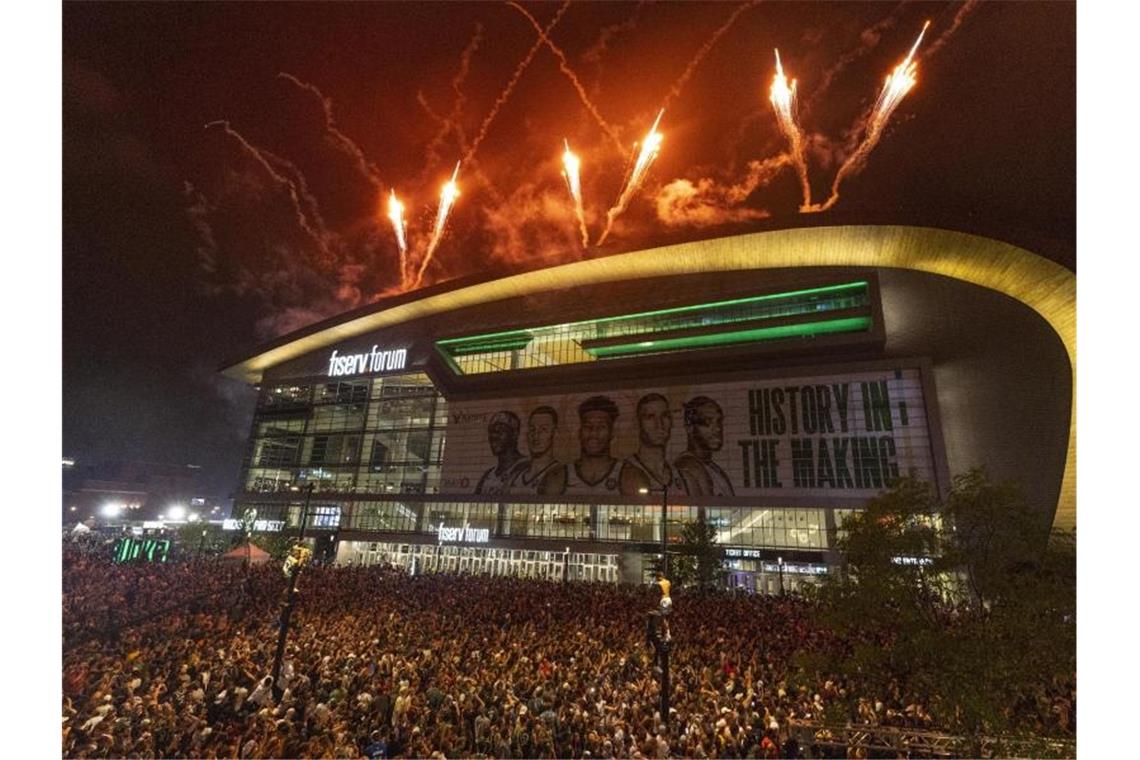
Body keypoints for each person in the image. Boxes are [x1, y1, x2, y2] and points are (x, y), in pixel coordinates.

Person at [541, 396, 622, 495]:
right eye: (587, 426)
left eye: (601, 427)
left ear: (612, 433)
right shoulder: (557, 477)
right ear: (579, 432)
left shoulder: (628, 476)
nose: (593, 433)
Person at [620, 394, 684, 496]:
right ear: (638, 424)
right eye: (650, 417)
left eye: (664, 416)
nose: (659, 424)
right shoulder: (627, 473)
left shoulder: (683, 477)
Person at [675, 396, 735, 497]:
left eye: (719, 421)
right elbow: (704, 509)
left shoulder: (714, 469)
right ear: (690, 428)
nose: (717, 429)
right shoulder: (690, 466)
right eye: (707, 422)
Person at [509, 406, 563, 494]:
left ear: (554, 433)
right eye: (532, 429)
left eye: (543, 429)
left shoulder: (559, 474)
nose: (536, 436)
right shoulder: (515, 476)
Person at [475, 411, 527, 496]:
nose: (494, 436)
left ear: (514, 434)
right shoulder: (487, 476)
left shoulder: (527, 468)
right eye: (491, 431)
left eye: (500, 431)